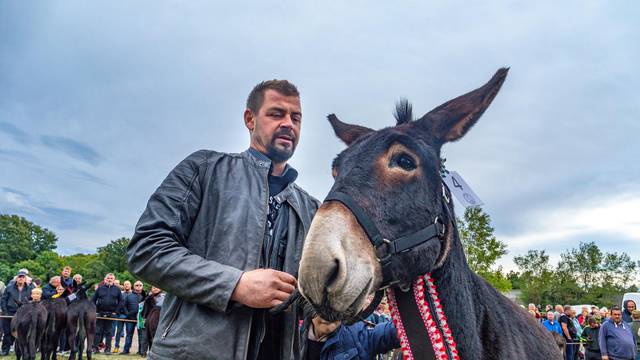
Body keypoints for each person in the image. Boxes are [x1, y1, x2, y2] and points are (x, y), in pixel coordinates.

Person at [128, 79, 319, 360]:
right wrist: (235, 285)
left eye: (296, 117)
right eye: (276, 114)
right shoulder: (204, 169)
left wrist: (336, 305)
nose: (289, 123)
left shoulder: (313, 208)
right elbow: (146, 249)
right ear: (249, 119)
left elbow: (307, 294)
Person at [305, 317, 400, 360]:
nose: (328, 314)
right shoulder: (292, 334)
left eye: (337, 305)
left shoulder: (359, 336)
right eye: (319, 305)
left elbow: (395, 330)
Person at [0, 270, 34, 356]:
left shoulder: (30, 288)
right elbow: (3, 299)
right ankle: (5, 350)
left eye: (23, 277)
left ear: (25, 279)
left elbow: (31, 300)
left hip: (24, 313)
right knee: (7, 332)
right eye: (20, 277)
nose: (21, 279)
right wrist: (5, 310)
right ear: (16, 278)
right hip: (9, 312)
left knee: (22, 333)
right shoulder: (9, 287)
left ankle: (20, 350)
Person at [92, 273, 123, 354]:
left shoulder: (117, 289)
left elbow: (121, 302)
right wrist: (95, 311)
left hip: (111, 314)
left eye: (111, 278)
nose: (110, 279)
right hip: (100, 313)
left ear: (114, 279)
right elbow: (93, 300)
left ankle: (107, 349)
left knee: (109, 332)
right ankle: (95, 348)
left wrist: (115, 312)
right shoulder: (100, 288)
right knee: (98, 331)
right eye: (108, 278)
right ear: (105, 279)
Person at [120, 280, 145, 355]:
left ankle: (141, 351)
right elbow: (124, 306)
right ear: (133, 287)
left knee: (141, 336)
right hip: (130, 319)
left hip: (140, 319)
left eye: (140, 285)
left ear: (142, 286)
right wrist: (127, 314)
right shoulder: (129, 295)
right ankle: (126, 350)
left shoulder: (145, 296)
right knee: (129, 335)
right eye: (136, 285)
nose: (138, 287)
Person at [113, 280, 132, 354]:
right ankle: (116, 347)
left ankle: (126, 349)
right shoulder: (121, 294)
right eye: (125, 284)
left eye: (128, 284)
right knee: (118, 332)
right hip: (121, 315)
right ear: (123, 286)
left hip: (130, 316)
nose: (126, 285)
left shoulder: (133, 294)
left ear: (130, 285)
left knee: (129, 333)